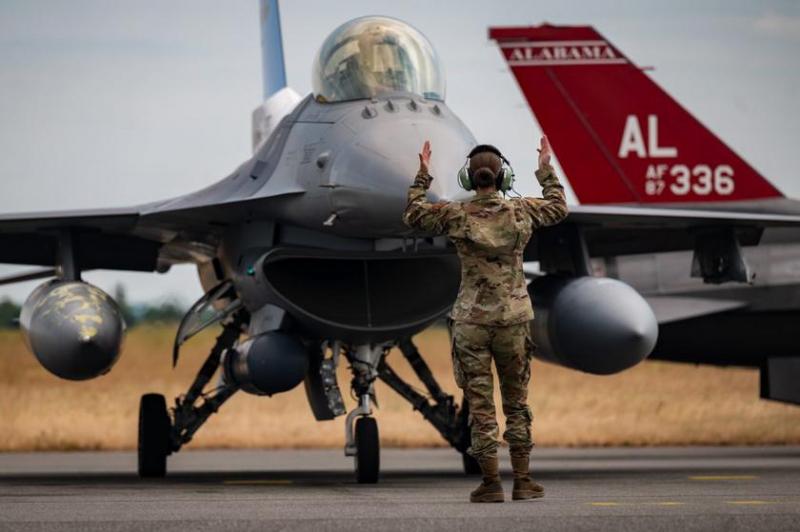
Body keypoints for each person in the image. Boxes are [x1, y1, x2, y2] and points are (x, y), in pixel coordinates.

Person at [402, 137, 568, 503]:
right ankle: (523, 481)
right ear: (502, 178)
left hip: (471, 323)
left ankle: (491, 483)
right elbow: (558, 208)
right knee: (516, 401)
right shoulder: (522, 212)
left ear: (467, 179)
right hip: (513, 320)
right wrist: (544, 169)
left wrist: (423, 176)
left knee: (480, 405)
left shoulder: (455, 214)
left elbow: (413, 215)